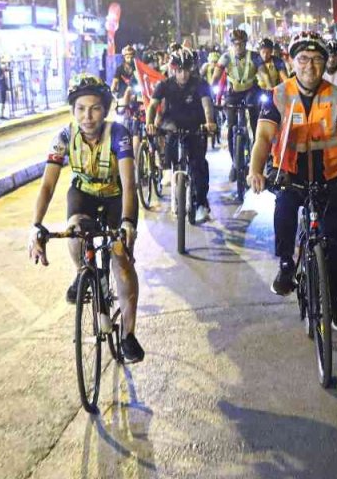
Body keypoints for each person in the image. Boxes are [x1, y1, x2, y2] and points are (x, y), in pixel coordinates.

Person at [248, 31, 337, 329]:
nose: (310, 66)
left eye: (317, 59)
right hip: (290, 174)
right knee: (284, 210)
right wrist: (255, 170)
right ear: (292, 62)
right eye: (303, 59)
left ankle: (336, 298)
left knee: (335, 241)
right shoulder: (279, 95)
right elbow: (263, 137)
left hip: (329, 175)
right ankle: (285, 264)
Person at [27, 75, 145, 363]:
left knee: (120, 258)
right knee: (74, 231)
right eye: (80, 109)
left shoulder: (119, 134)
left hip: (116, 196)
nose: (87, 117)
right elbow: (47, 185)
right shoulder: (64, 138)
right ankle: (85, 272)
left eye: (94, 109)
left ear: (105, 111)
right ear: (73, 110)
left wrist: (127, 223)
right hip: (84, 195)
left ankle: (128, 335)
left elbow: (129, 183)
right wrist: (35, 225)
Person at [146, 49, 218, 224]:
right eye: (179, 70)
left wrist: (209, 122)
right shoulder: (164, 85)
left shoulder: (200, 84)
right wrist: (150, 123)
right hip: (173, 125)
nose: (183, 74)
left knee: (198, 164)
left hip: (195, 126)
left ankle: (201, 204)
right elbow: (153, 106)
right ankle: (169, 172)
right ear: (173, 70)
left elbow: (207, 104)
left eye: (186, 70)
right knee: (169, 148)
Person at [217, 29, 262, 167]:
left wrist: (269, 89)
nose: (238, 47)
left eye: (241, 44)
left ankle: (256, 155)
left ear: (245, 44)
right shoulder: (226, 57)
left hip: (251, 92)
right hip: (233, 93)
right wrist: (209, 92)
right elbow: (215, 76)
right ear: (232, 44)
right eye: (236, 44)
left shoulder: (254, 56)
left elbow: (264, 74)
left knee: (255, 123)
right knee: (231, 126)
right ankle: (234, 160)